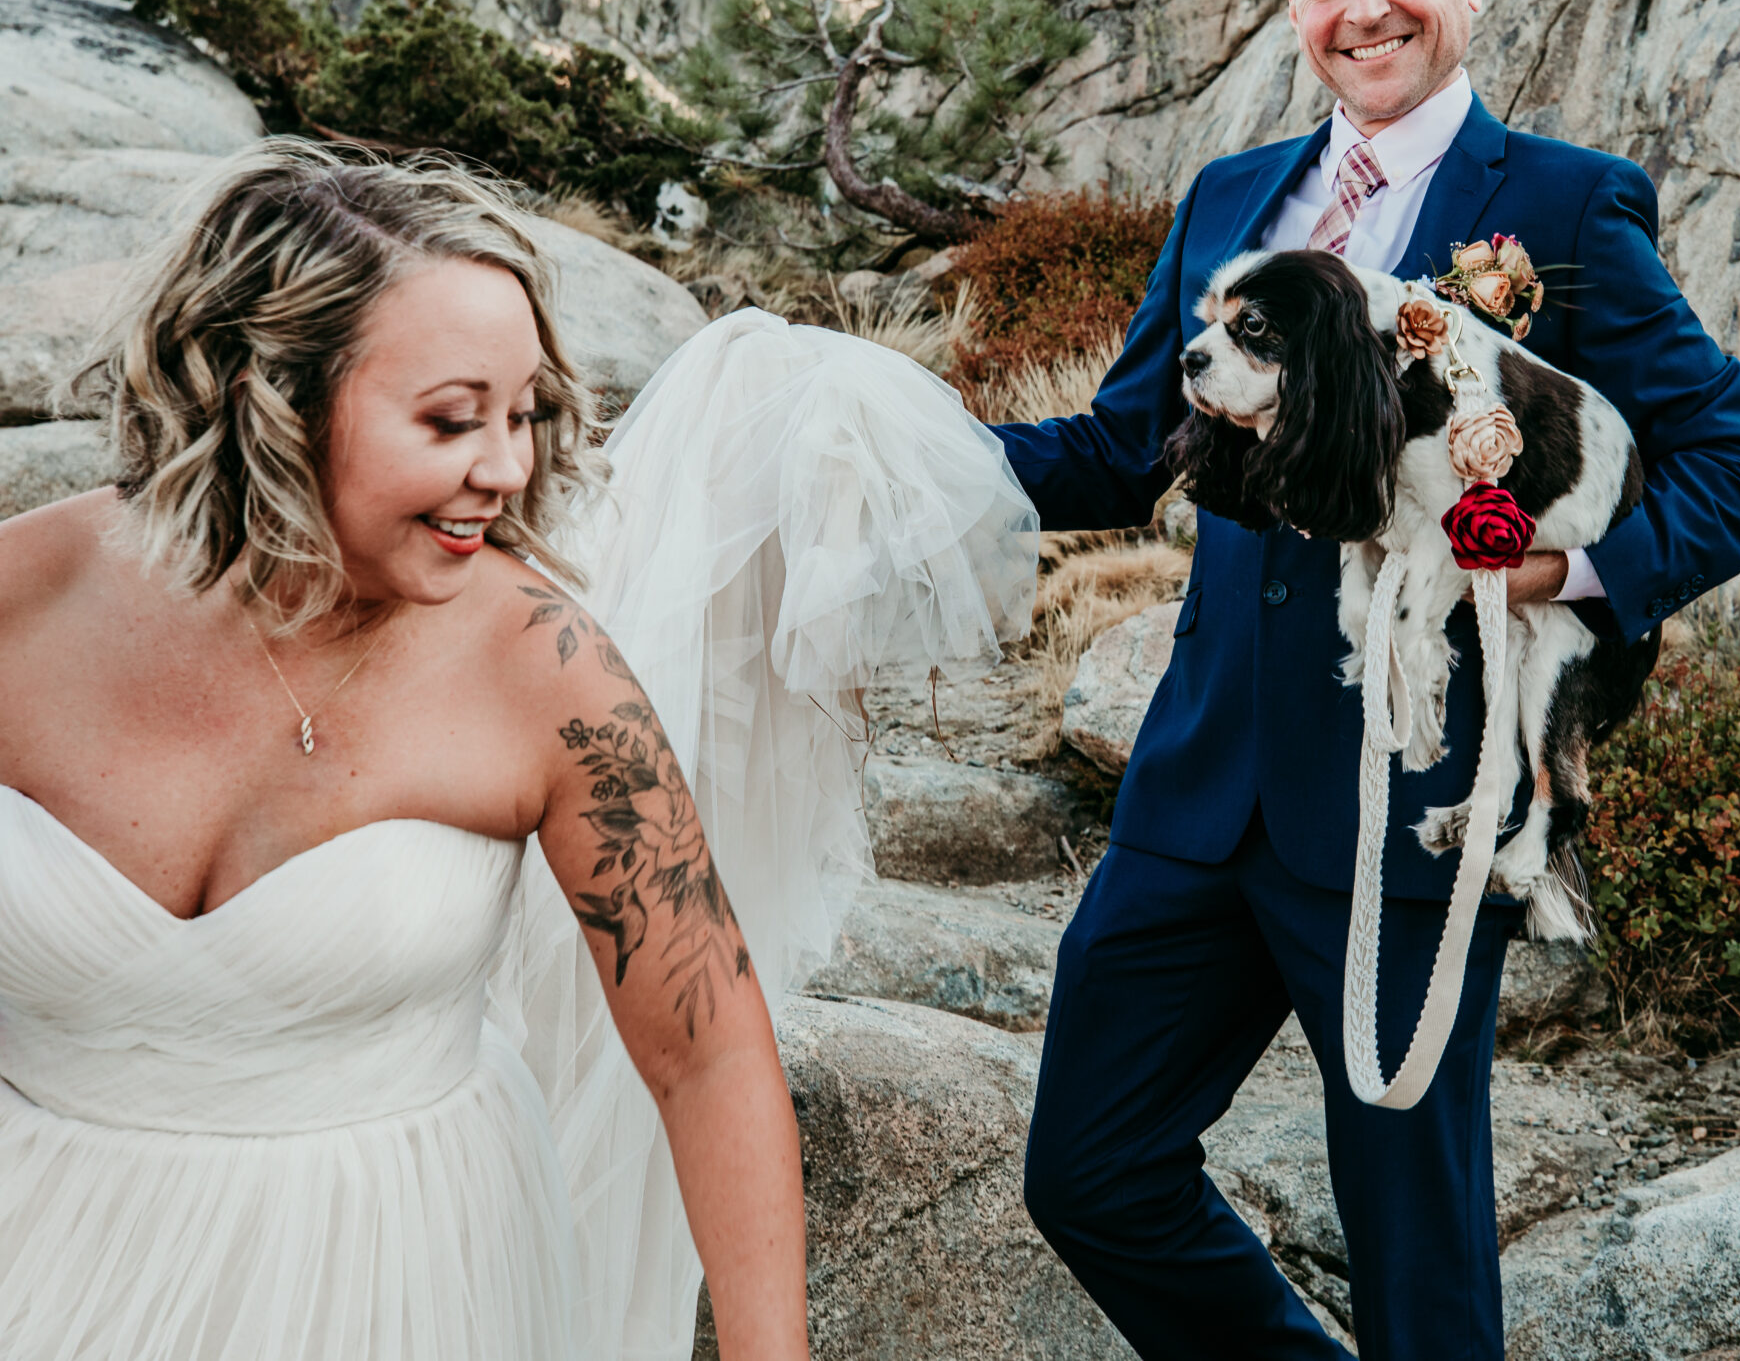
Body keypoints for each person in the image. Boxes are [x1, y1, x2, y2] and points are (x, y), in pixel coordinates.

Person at [0, 144, 1040, 1360]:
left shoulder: (545, 670)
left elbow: (704, 1052)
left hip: (397, 1277)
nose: (506, 471)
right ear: (270, 396)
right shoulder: (23, 600)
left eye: (526, 415)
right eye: (451, 420)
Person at [997, 0, 1740, 1358]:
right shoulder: (1236, 197)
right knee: (1091, 1171)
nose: (1362, 9)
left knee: (1418, 1261)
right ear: (1290, 7)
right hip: (1195, 783)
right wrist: (911, 459)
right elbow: (1124, 446)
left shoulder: (1557, 209)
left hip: (1410, 795)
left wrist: (1556, 566)